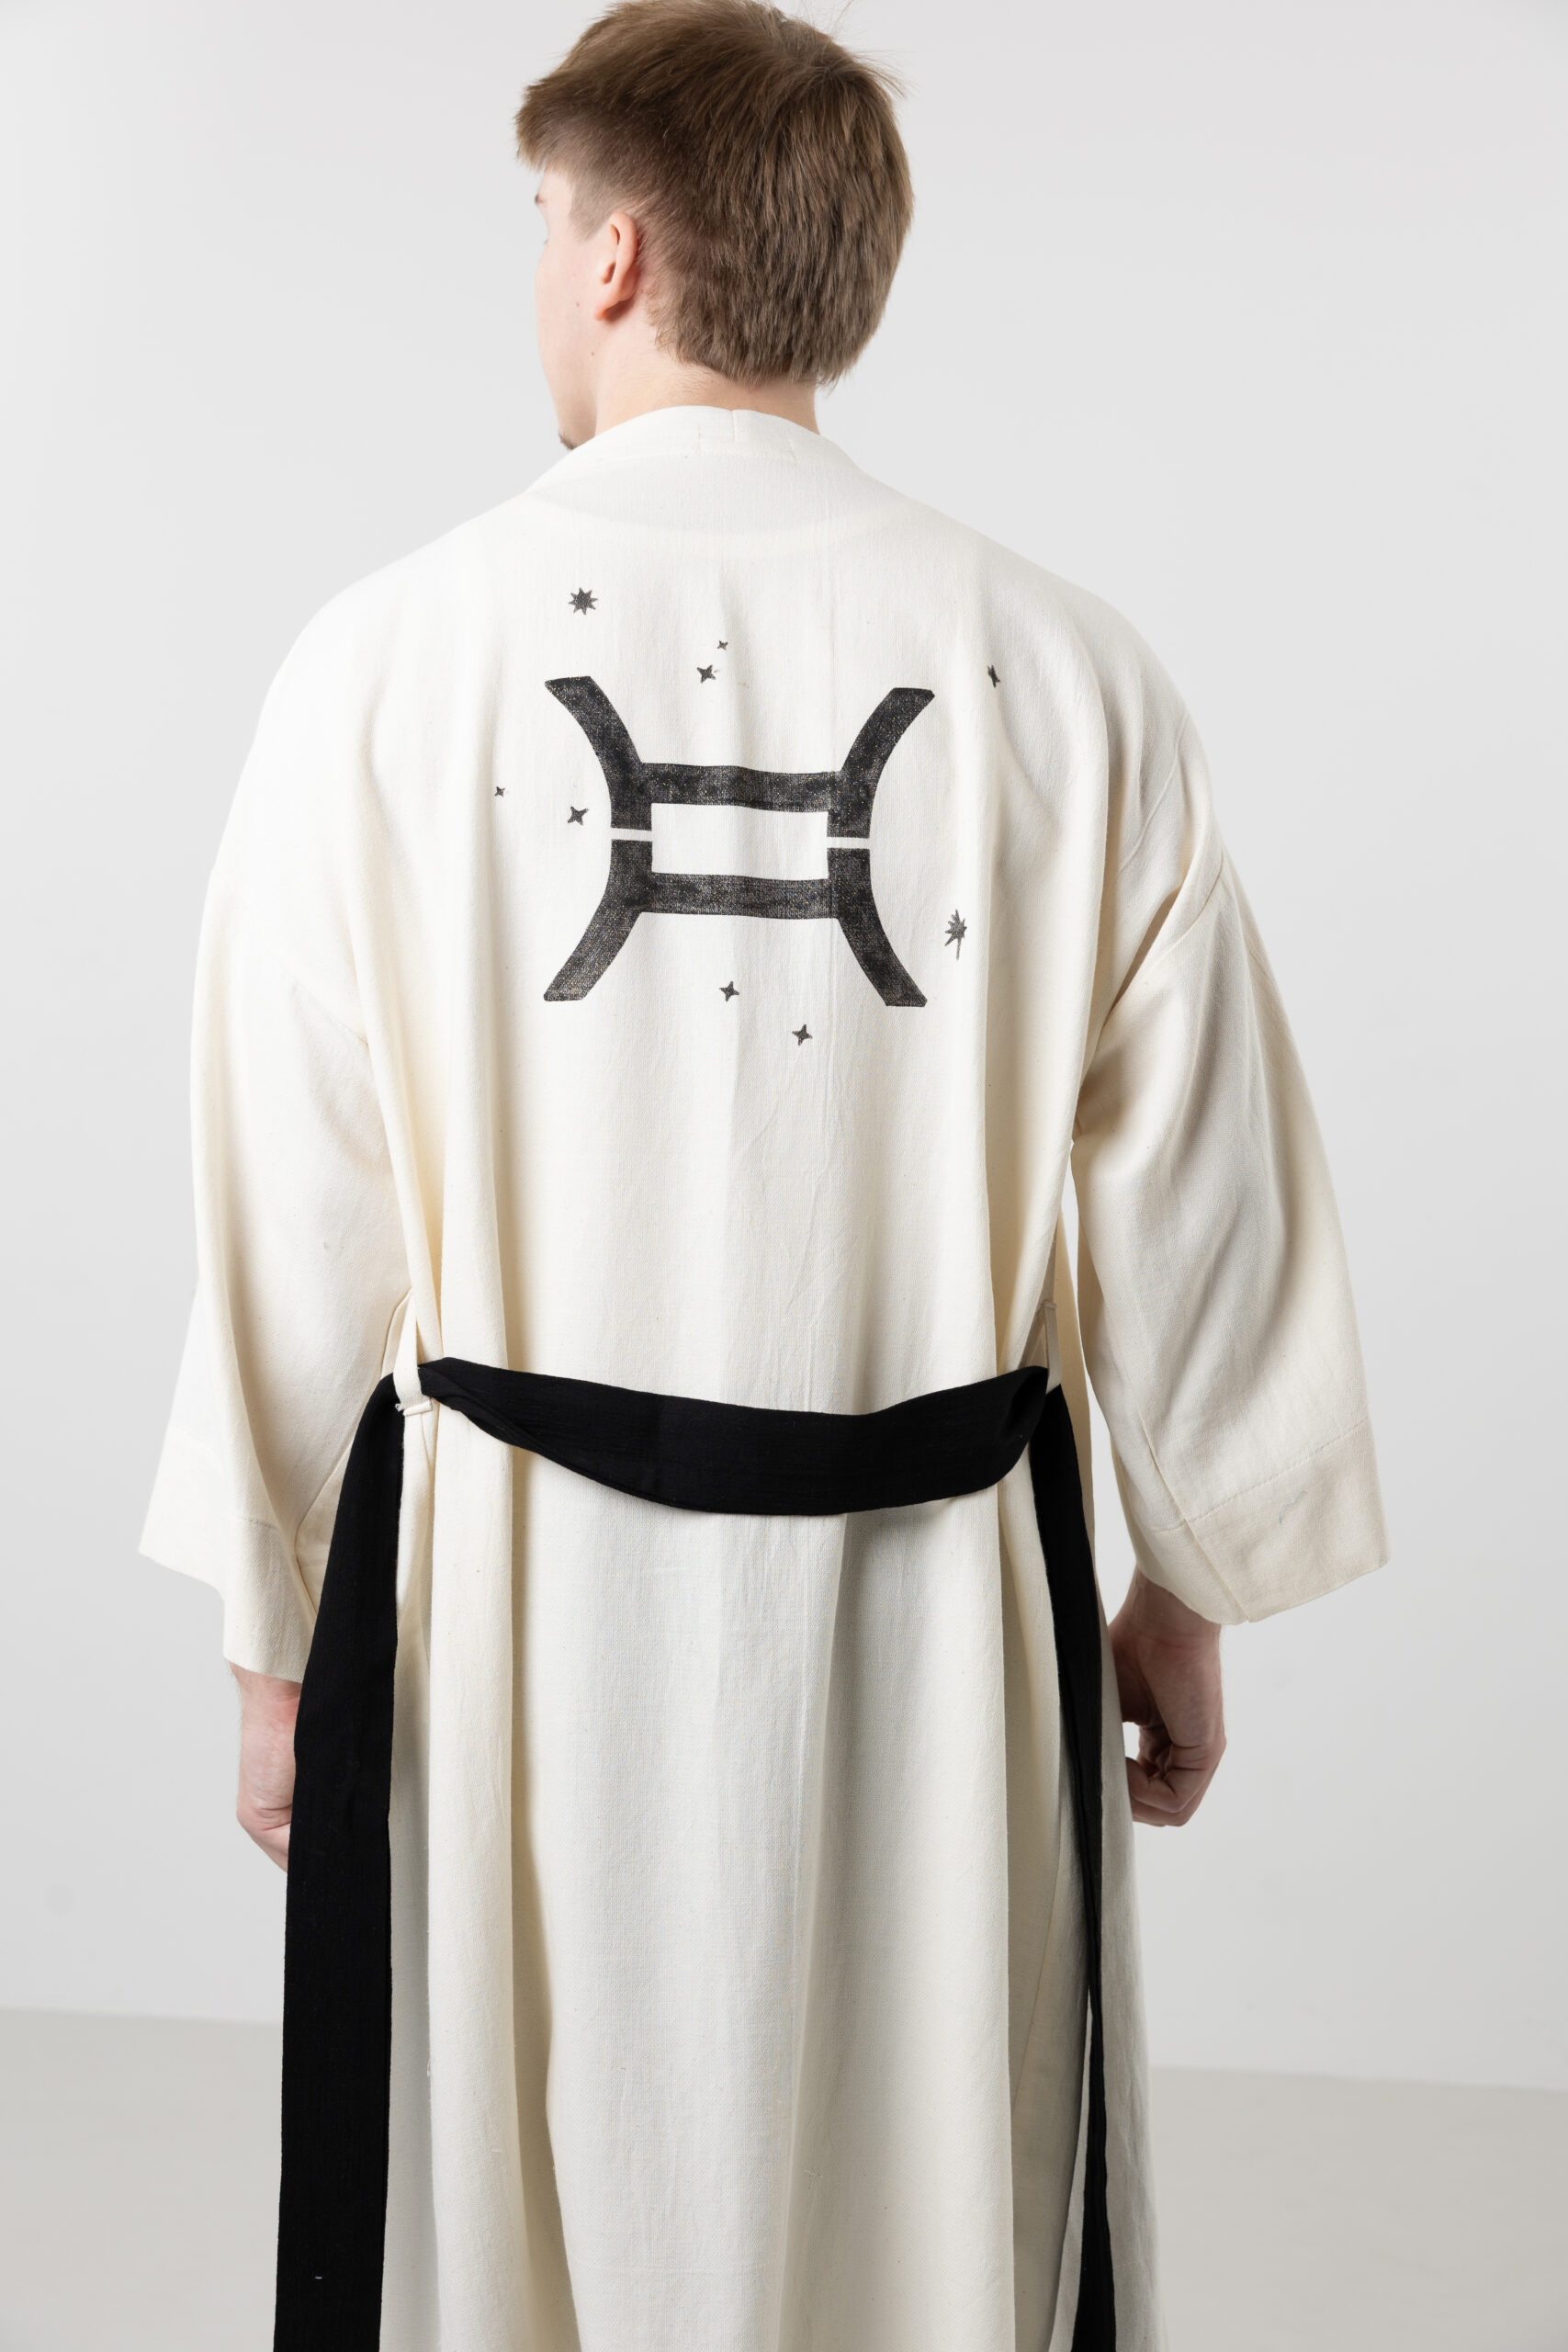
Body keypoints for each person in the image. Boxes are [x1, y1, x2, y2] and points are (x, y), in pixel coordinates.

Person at [140, 4, 1388, 2347]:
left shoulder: (386, 661)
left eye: (542, 222)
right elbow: (1198, 1186)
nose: (537, 272)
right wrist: (1184, 1584)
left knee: (539, 2220)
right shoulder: (1066, 673)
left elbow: (290, 1190)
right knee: (913, 2206)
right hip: (930, 1634)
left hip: (517, 1624)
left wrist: (275, 1638)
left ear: (616, 256)